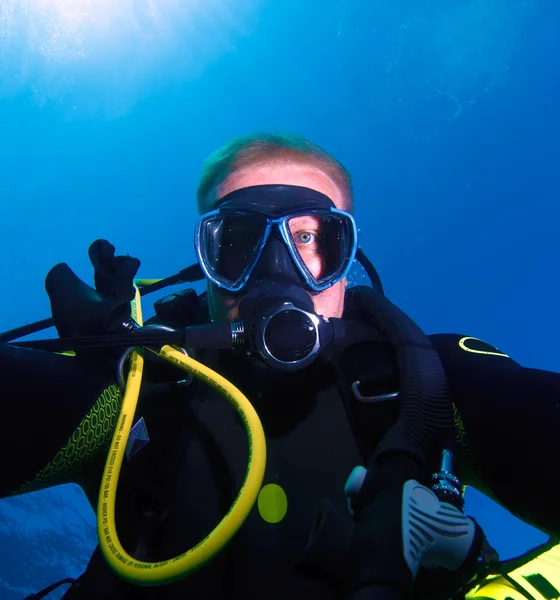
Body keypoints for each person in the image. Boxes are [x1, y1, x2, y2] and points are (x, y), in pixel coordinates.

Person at [1, 132, 560, 600]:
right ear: (208, 262)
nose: (276, 270)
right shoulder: (135, 387)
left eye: (311, 238)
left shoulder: (423, 385)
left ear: (346, 261)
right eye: (238, 240)